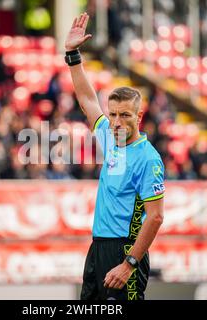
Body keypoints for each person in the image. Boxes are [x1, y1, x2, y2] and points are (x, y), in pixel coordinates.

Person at [65, 13, 165, 300]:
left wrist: (128, 264)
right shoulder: (109, 135)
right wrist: (72, 54)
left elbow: (156, 217)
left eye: (125, 115)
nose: (117, 122)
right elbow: (86, 99)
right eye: (113, 115)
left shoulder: (148, 158)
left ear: (139, 116)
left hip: (125, 252)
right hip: (97, 248)